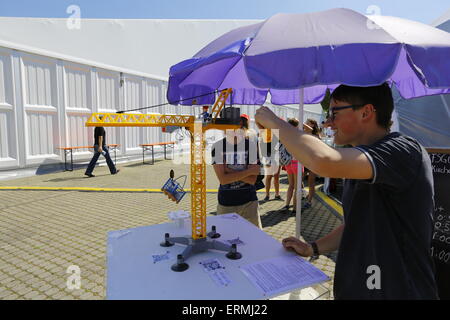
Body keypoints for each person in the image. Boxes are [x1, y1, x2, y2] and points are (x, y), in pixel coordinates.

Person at [255, 83, 438, 299]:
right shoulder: (361, 158)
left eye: (335, 112)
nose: (328, 122)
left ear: (366, 112)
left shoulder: (402, 150)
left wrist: (276, 123)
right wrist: (312, 248)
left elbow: (323, 161)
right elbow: (355, 224)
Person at [211, 114, 262, 228]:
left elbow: (253, 180)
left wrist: (228, 170)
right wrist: (248, 171)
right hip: (226, 203)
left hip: (249, 203)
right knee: (226, 240)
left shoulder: (251, 145)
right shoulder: (217, 147)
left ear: (239, 124)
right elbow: (223, 180)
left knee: (254, 241)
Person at [281, 118, 301, 213]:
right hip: (297, 162)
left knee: (291, 185)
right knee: (297, 187)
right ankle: (295, 208)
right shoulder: (298, 135)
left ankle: (287, 205)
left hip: (288, 163)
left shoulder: (285, 134)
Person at [302, 119, 321, 209]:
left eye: (308, 123)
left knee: (311, 182)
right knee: (300, 179)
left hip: (314, 161)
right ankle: (304, 194)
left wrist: (299, 121)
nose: (305, 124)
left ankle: (309, 201)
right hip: (305, 160)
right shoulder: (304, 133)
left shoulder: (315, 136)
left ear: (313, 125)